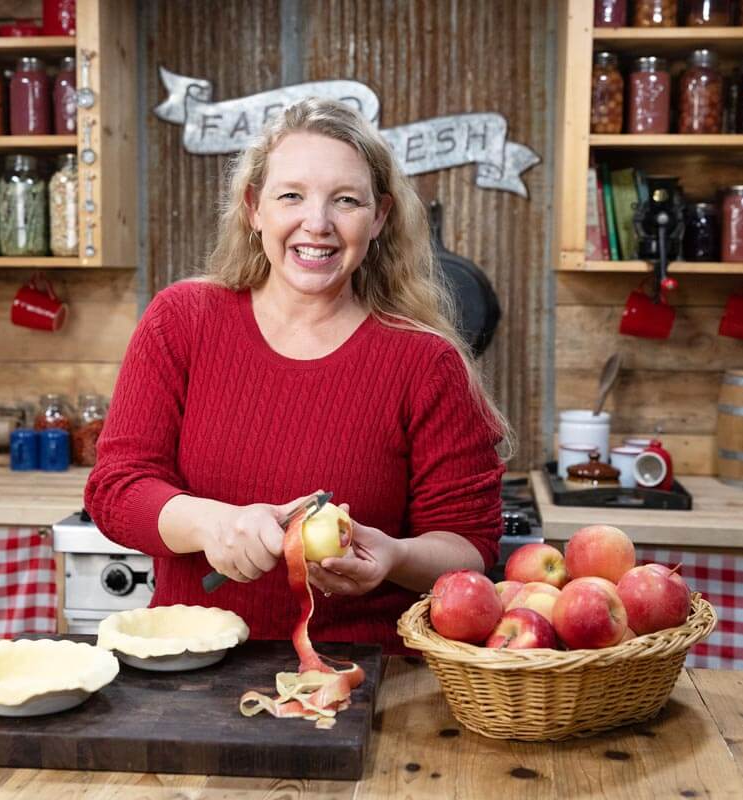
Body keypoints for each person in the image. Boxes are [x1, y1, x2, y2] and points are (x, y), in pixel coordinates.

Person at [84, 97, 510, 653]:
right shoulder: (182, 322)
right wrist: (214, 526)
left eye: (346, 201)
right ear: (254, 207)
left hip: (366, 679)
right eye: (291, 196)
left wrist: (395, 557)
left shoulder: (426, 363)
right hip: (190, 669)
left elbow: (470, 546)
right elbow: (116, 489)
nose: (318, 223)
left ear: (379, 217)